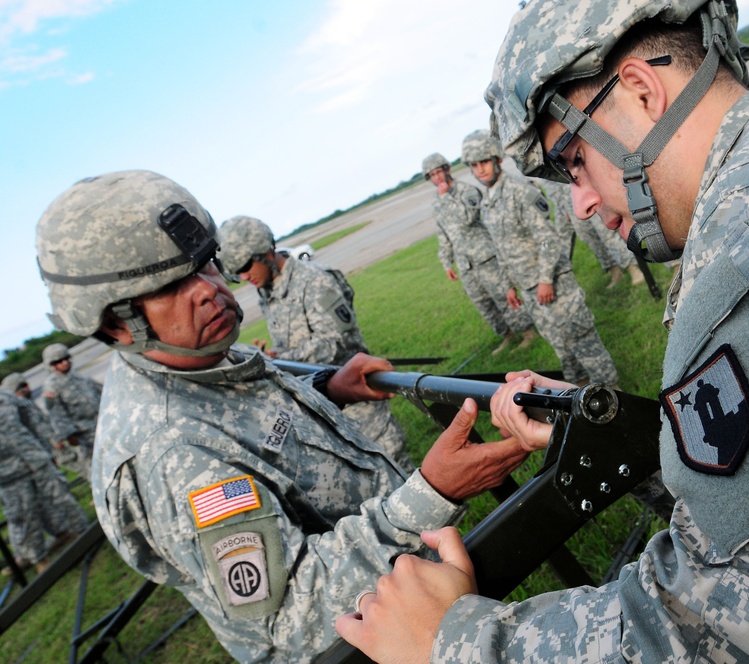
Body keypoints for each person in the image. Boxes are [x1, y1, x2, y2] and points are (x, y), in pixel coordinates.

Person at [336, 0, 749, 661]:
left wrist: (451, 642)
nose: (582, 203)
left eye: (574, 161)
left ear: (640, 90)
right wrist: (599, 432)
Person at [34, 169, 528, 661]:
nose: (207, 289)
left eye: (204, 265)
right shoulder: (173, 451)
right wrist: (434, 491)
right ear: (117, 323)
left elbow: (251, 416)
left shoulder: (197, 357)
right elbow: (296, 612)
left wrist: (328, 387)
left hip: (403, 603)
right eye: (170, 286)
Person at [216, 215, 412, 470]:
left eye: (245, 266)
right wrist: (277, 356)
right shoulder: (268, 290)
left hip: (359, 404)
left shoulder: (315, 281)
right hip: (322, 404)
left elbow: (334, 342)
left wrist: (280, 361)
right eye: (236, 272)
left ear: (264, 251)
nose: (244, 276)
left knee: (395, 469)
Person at [461, 129, 619, 387]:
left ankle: (613, 391)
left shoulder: (519, 191)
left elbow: (547, 238)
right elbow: (502, 248)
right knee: (561, 347)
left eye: (484, 162)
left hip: (554, 283)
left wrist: (545, 279)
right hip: (529, 288)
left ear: (497, 160)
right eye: (474, 165)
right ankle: (577, 393)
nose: (479, 170)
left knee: (582, 340)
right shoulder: (487, 202)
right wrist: (509, 285)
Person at [423, 153, 537, 355]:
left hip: (485, 257)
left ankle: (528, 332)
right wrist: (446, 262)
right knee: (483, 304)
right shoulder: (436, 201)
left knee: (503, 297)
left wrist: (447, 197)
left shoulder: (466, 191)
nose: (437, 177)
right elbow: (443, 233)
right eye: (432, 175)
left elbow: (467, 217)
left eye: (439, 171)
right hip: (465, 264)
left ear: (447, 169)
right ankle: (507, 335)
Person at [0, 374, 88, 574]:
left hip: (36, 458)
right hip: (8, 472)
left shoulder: (6, 397)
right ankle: (37, 557)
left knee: (59, 497)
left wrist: (48, 449)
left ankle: (81, 532)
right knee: (21, 514)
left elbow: (33, 420)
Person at [545, 180, 645, 289]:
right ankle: (615, 271)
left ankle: (633, 268)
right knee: (591, 239)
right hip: (571, 207)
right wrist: (563, 209)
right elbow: (551, 187)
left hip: (587, 196)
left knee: (606, 235)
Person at [41, 342, 102, 482]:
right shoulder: (52, 386)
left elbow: (100, 392)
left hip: (100, 424)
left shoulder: (79, 377)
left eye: (66, 358)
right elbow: (56, 414)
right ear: (51, 364)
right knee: (94, 467)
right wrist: (69, 435)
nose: (64, 363)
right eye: (58, 361)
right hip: (83, 433)